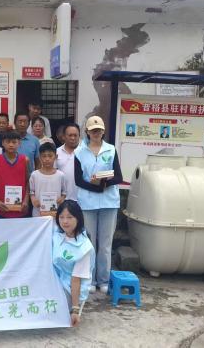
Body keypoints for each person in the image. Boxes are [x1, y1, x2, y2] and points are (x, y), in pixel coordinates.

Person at [74, 116, 123, 294]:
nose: (96, 133)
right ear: (87, 132)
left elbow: (118, 176)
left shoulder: (111, 149)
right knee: (89, 243)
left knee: (105, 244)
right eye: (93, 130)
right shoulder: (79, 152)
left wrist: (104, 184)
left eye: (99, 130)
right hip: (87, 202)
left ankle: (103, 280)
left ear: (103, 131)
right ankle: (90, 279)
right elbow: (78, 180)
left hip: (109, 201)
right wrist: (95, 188)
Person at [53, 200, 95, 327]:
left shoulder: (84, 248)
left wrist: (75, 309)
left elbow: (76, 280)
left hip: (70, 287)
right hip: (56, 280)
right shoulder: (57, 235)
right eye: (61, 217)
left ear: (78, 218)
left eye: (70, 217)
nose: (65, 221)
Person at [0, 131, 30, 218]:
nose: (11, 145)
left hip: (21, 207)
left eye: (14, 142)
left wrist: (26, 200)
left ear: (19, 143)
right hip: (1, 207)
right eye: (8, 142)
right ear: (3, 143)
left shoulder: (25, 160)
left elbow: (28, 182)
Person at [29, 143, 66, 217]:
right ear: (40, 157)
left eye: (50, 156)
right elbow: (31, 191)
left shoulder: (60, 175)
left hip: (55, 213)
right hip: (38, 213)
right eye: (44, 156)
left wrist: (62, 198)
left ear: (56, 157)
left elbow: (64, 192)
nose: (47, 159)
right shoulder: (34, 175)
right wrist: (33, 199)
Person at [56, 123, 81, 203]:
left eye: (75, 135)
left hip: (81, 199)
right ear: (64, 136)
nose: (73, 138)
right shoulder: (56, 152)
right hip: (61, 199)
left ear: (79, 136)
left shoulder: (85, 153)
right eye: (70, 135)